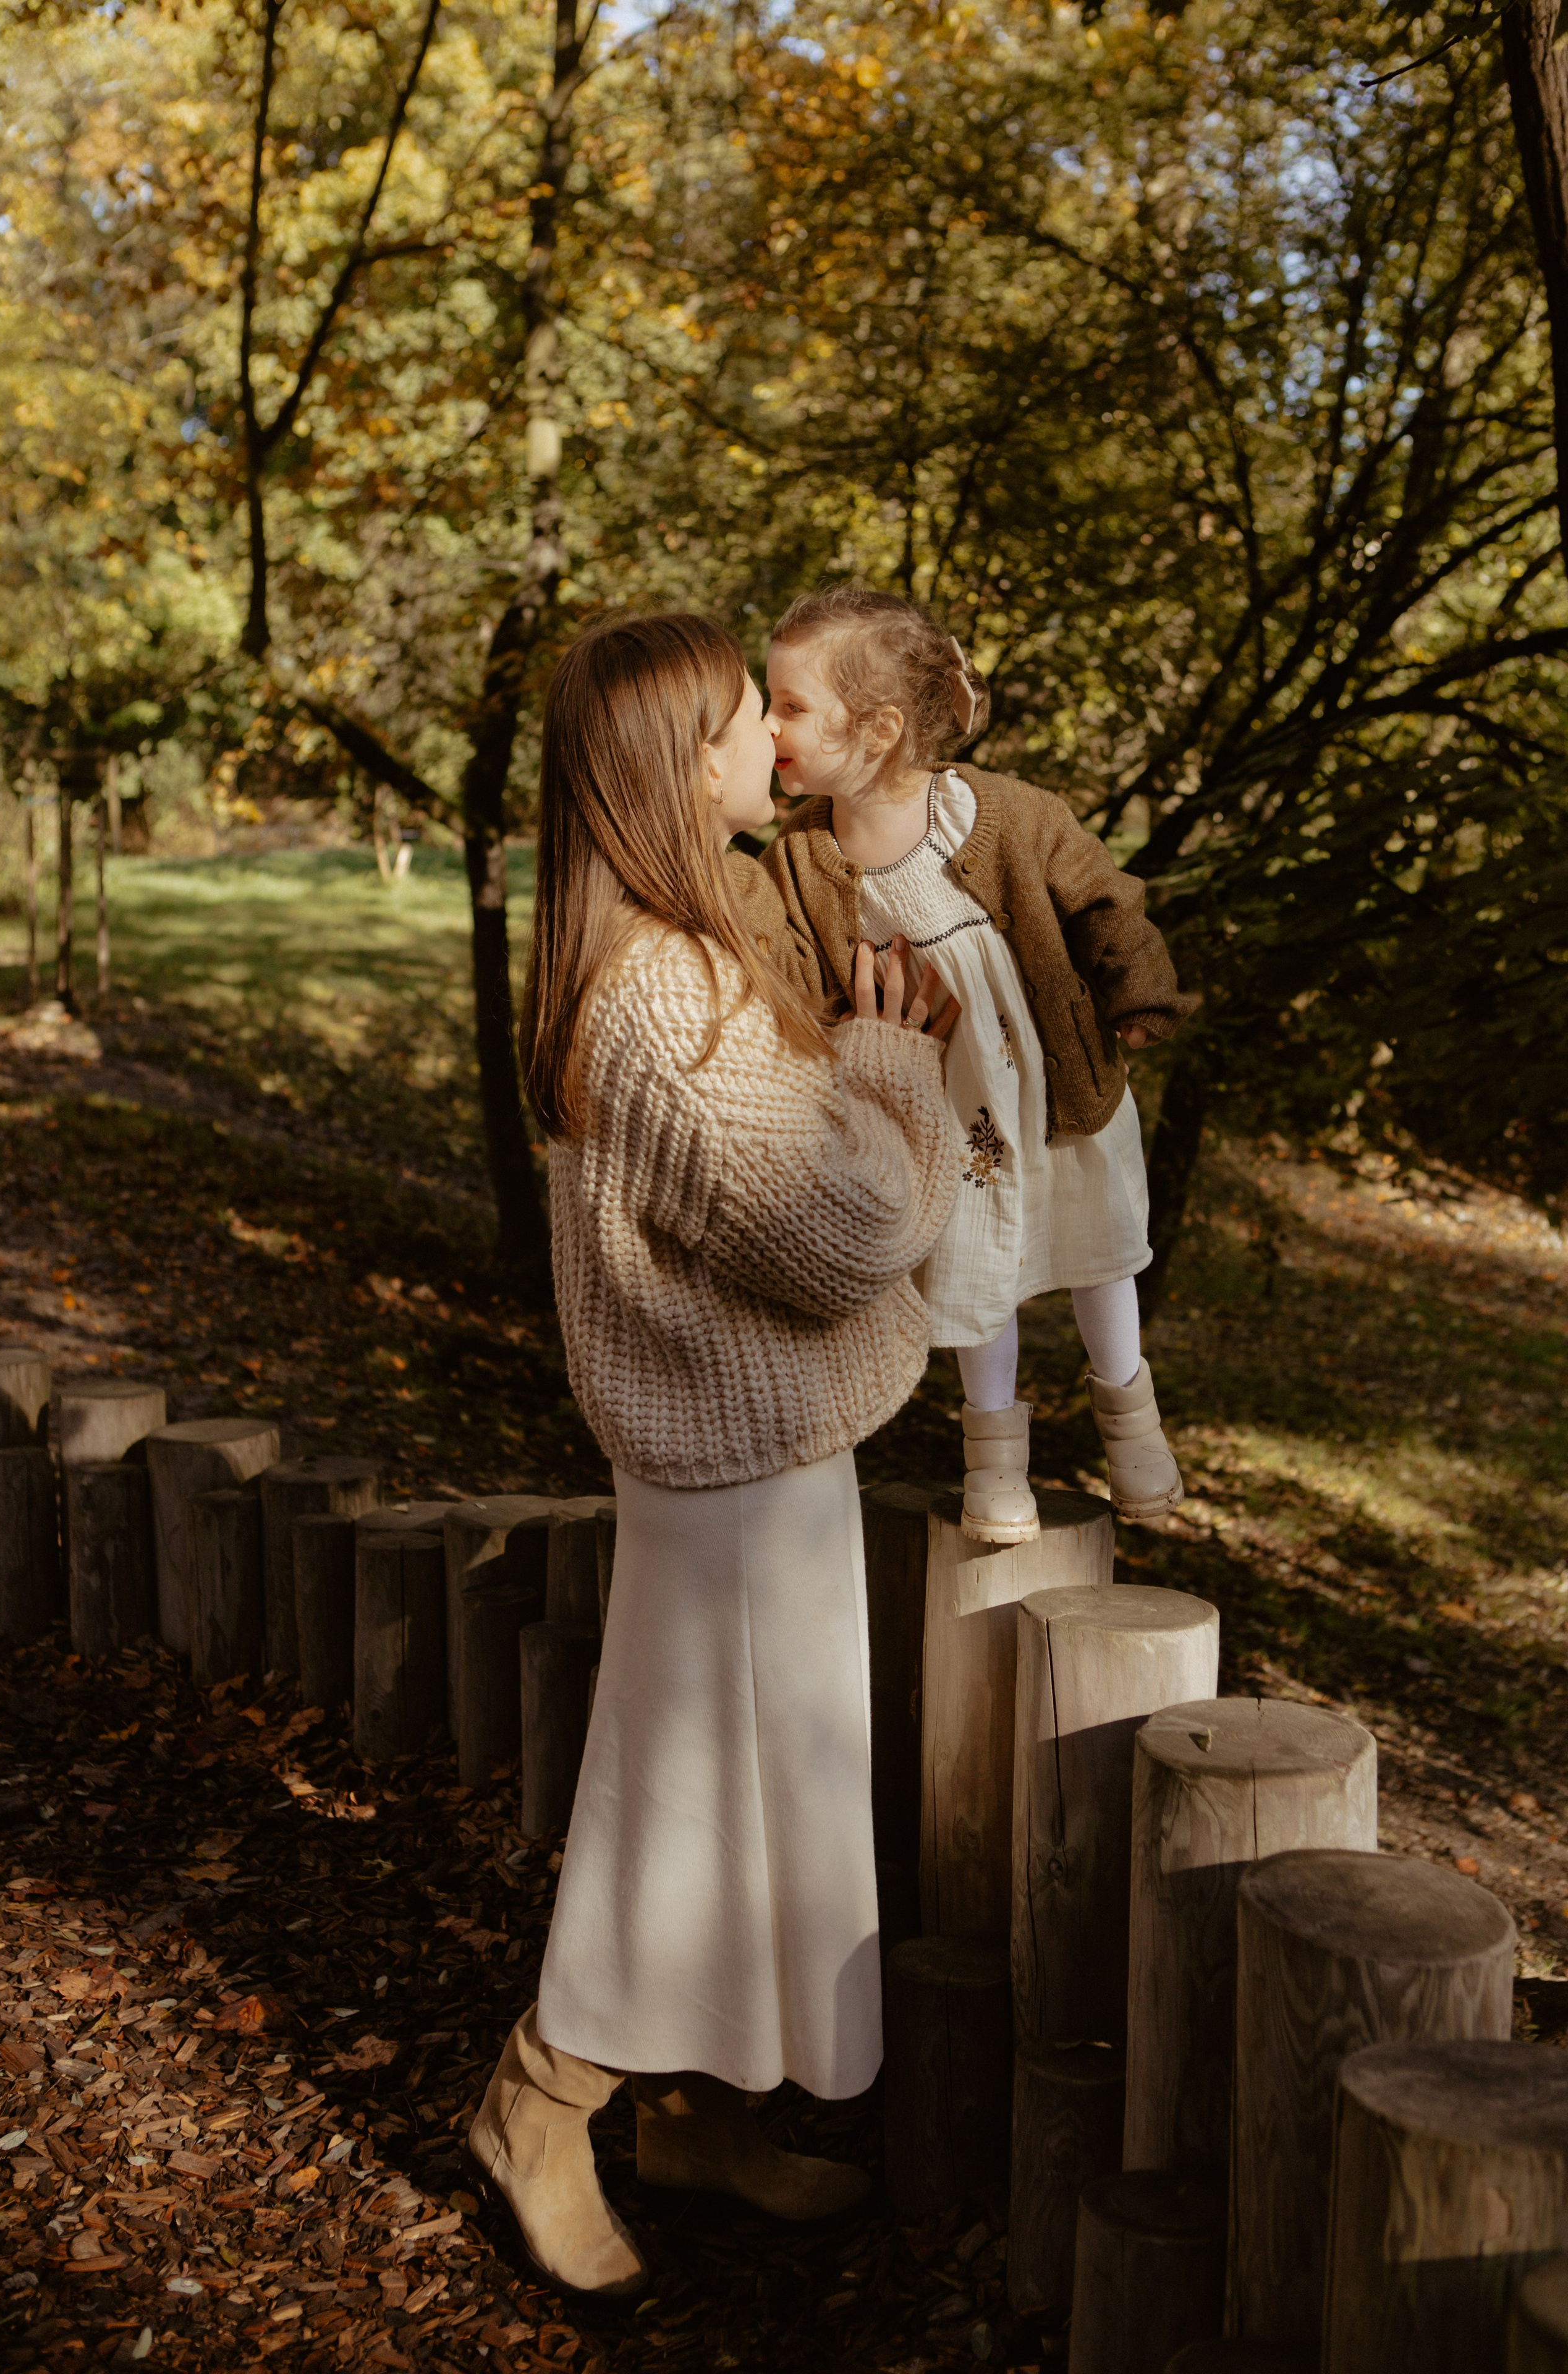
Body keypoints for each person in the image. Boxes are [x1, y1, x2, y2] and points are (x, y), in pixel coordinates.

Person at [466, 612, 960, 2296]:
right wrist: (898, 1062)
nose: (777, 746)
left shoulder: (681, 949)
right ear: (678, 761)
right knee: (686, 1810)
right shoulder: (657, 993)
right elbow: (838, 1232)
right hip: (729, 1486)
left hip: (753, 1463)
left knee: (770, 1799)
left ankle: (695, 2107)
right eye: (751, 721)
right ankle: (540, 2101)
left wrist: (854, 1077)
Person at [760, 581, 1197, 1541]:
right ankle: (995, 1461)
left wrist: (1137, 990)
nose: (767, 724)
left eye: (790, 706)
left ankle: (1130, 1420)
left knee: (1099, 1245)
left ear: (875, 730)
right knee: (970, 1265)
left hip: (1056, 1080)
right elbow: (786, 970)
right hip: (939, 1107)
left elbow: (1100, 898)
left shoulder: (1004, 815)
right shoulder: (798, 861)